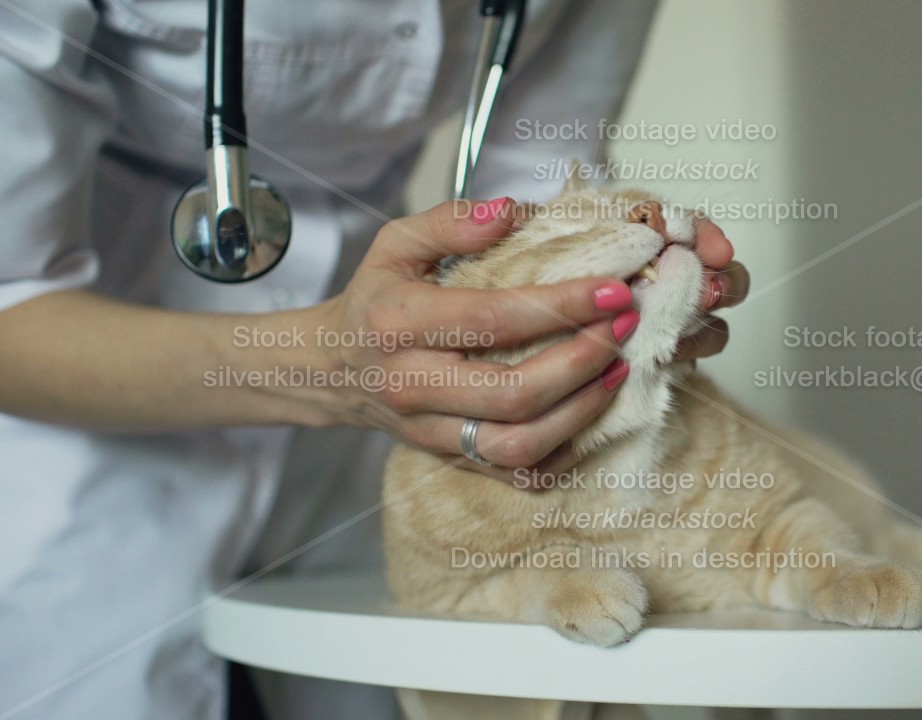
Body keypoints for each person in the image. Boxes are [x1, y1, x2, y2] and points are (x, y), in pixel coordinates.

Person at [0, 1, 748, 718]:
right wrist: (331, 371)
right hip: (85, 409)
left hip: (371, 438)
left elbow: (538, 187)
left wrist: (602, 304)